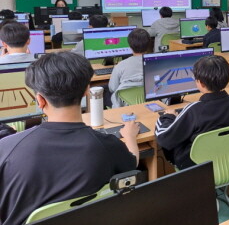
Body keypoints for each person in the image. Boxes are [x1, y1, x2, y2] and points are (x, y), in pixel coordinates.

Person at [0, 52, 139, 225]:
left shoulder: (6, 148)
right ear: (87, 91)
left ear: (40, 100)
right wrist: (130, 137)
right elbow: (133, 164)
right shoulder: (108, 146)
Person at [155, 55, 229, 170]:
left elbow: (163, 138)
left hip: (196, 166)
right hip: (227, 161)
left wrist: (168, 117)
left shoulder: (194, 110)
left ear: (200, 83)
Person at [108, 28, 150, 108]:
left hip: (125, 109)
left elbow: (113, 88)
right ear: (149, 45)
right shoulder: (156, 64)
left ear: (130, 46)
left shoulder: (120, 66)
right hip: (152, 106)